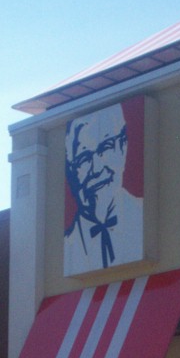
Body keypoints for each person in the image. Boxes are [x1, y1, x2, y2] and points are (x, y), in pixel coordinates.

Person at [64, 101, 143, 275]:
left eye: (105, 148)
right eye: (84, 159)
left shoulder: (143, 218)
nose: (97, 168)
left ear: (123, 146)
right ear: (70, 171)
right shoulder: (68, 245)